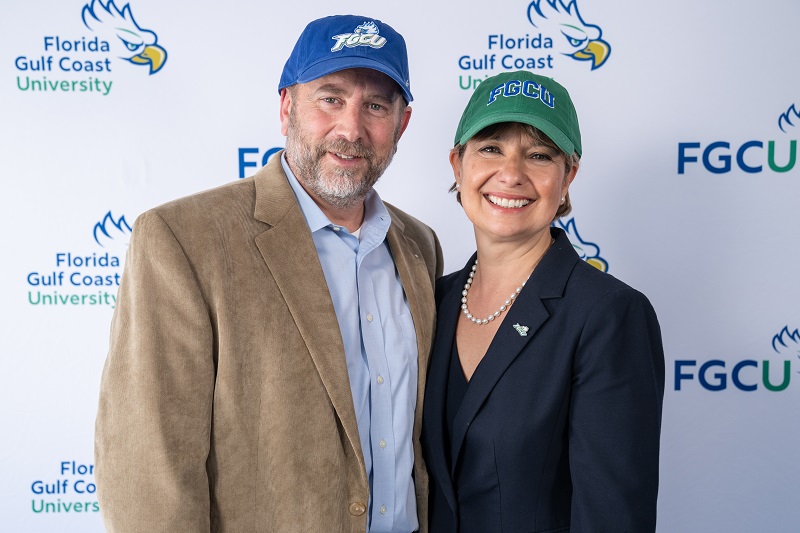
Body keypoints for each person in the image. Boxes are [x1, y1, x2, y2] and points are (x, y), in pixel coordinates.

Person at [95, 15, 442, 533]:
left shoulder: (419, 245)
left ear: (401, 124)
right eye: (330, 98)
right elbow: (149, 465)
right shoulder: (183, 239)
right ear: (287, 107)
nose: (351, 129)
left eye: (375, 106)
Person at [421, 70, 665, 532]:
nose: (511, 174)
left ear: (568, 175)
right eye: (491, 149)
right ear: (458, 164)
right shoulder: (429, 300)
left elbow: (611, 519)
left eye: (538, 155)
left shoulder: (609, 315)